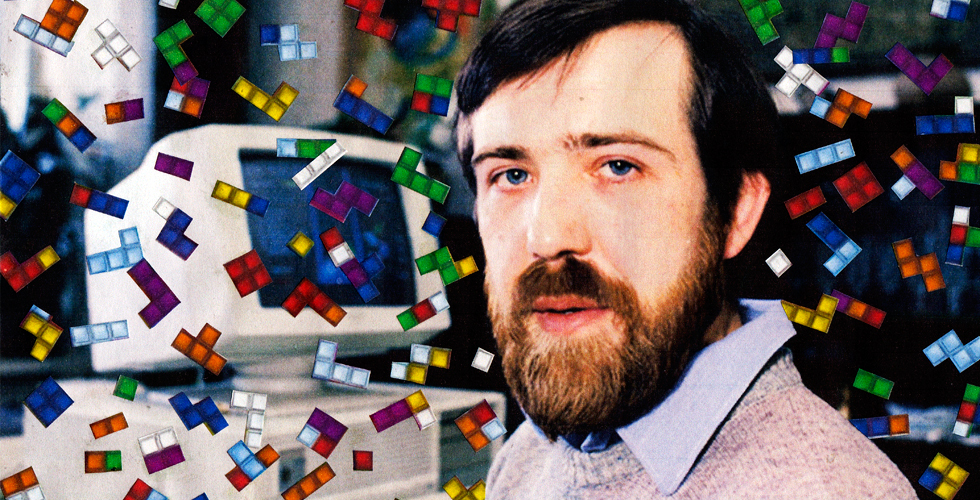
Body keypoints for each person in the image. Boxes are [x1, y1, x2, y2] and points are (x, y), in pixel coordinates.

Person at [452, 0, 917, 497]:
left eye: (618, 167)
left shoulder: (821, 490)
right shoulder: (527, 457)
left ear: (735, 210)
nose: (547, 239)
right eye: (511, 175)